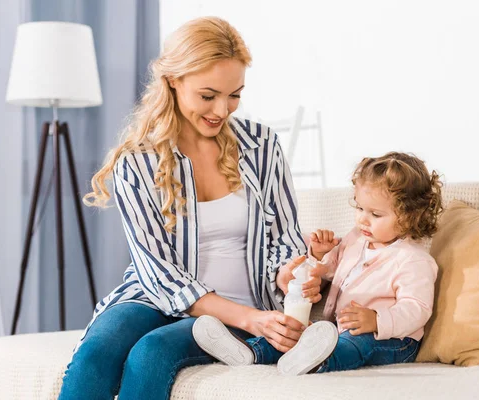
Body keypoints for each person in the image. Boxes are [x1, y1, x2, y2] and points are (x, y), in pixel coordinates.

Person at [58, 17, 326, 400]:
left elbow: (283, 239)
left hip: (244, 305)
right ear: (173, 81)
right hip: (155, 296)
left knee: (150, 355)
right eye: (208, 95)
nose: (222, 109)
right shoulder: (136, 163)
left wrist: (287, 274)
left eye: (234, 94)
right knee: (96, 354)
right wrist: (251, 319)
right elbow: (160, 273)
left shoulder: (261, 146)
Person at [192, 152, 443, 375]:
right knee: (294, 331)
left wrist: (377, 320)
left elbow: (416, 309)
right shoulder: (357, 239)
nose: (363, 220)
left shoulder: (414, 260)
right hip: (335, 331)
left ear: (411, 217)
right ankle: (249, 352)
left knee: (355, 345)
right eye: (360, 208)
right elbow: (327, 270)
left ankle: (317, 362)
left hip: (392, 340)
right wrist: (320, 254)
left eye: (375, 214)